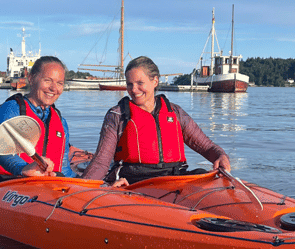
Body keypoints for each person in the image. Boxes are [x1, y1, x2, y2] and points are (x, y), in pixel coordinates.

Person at [81, 56, 230, 186]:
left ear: (155, 81)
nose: (134, 90)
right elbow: (101, 162)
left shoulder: (175, 112)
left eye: (140, 83)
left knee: (201, 173)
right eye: (129, 84)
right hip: (134, 182)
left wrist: (220, 156)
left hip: (174, 179)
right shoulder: (117, 115)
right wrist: (83, 189)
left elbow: (206, 146)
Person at [0, 56, 77, 184]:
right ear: (32, 78)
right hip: (7, 183)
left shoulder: (61, 122)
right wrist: (23, 169)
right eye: (47, 80)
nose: (54, 88)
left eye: (59, 83)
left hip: (48, 187)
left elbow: (64, 169)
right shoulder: (11, 109)